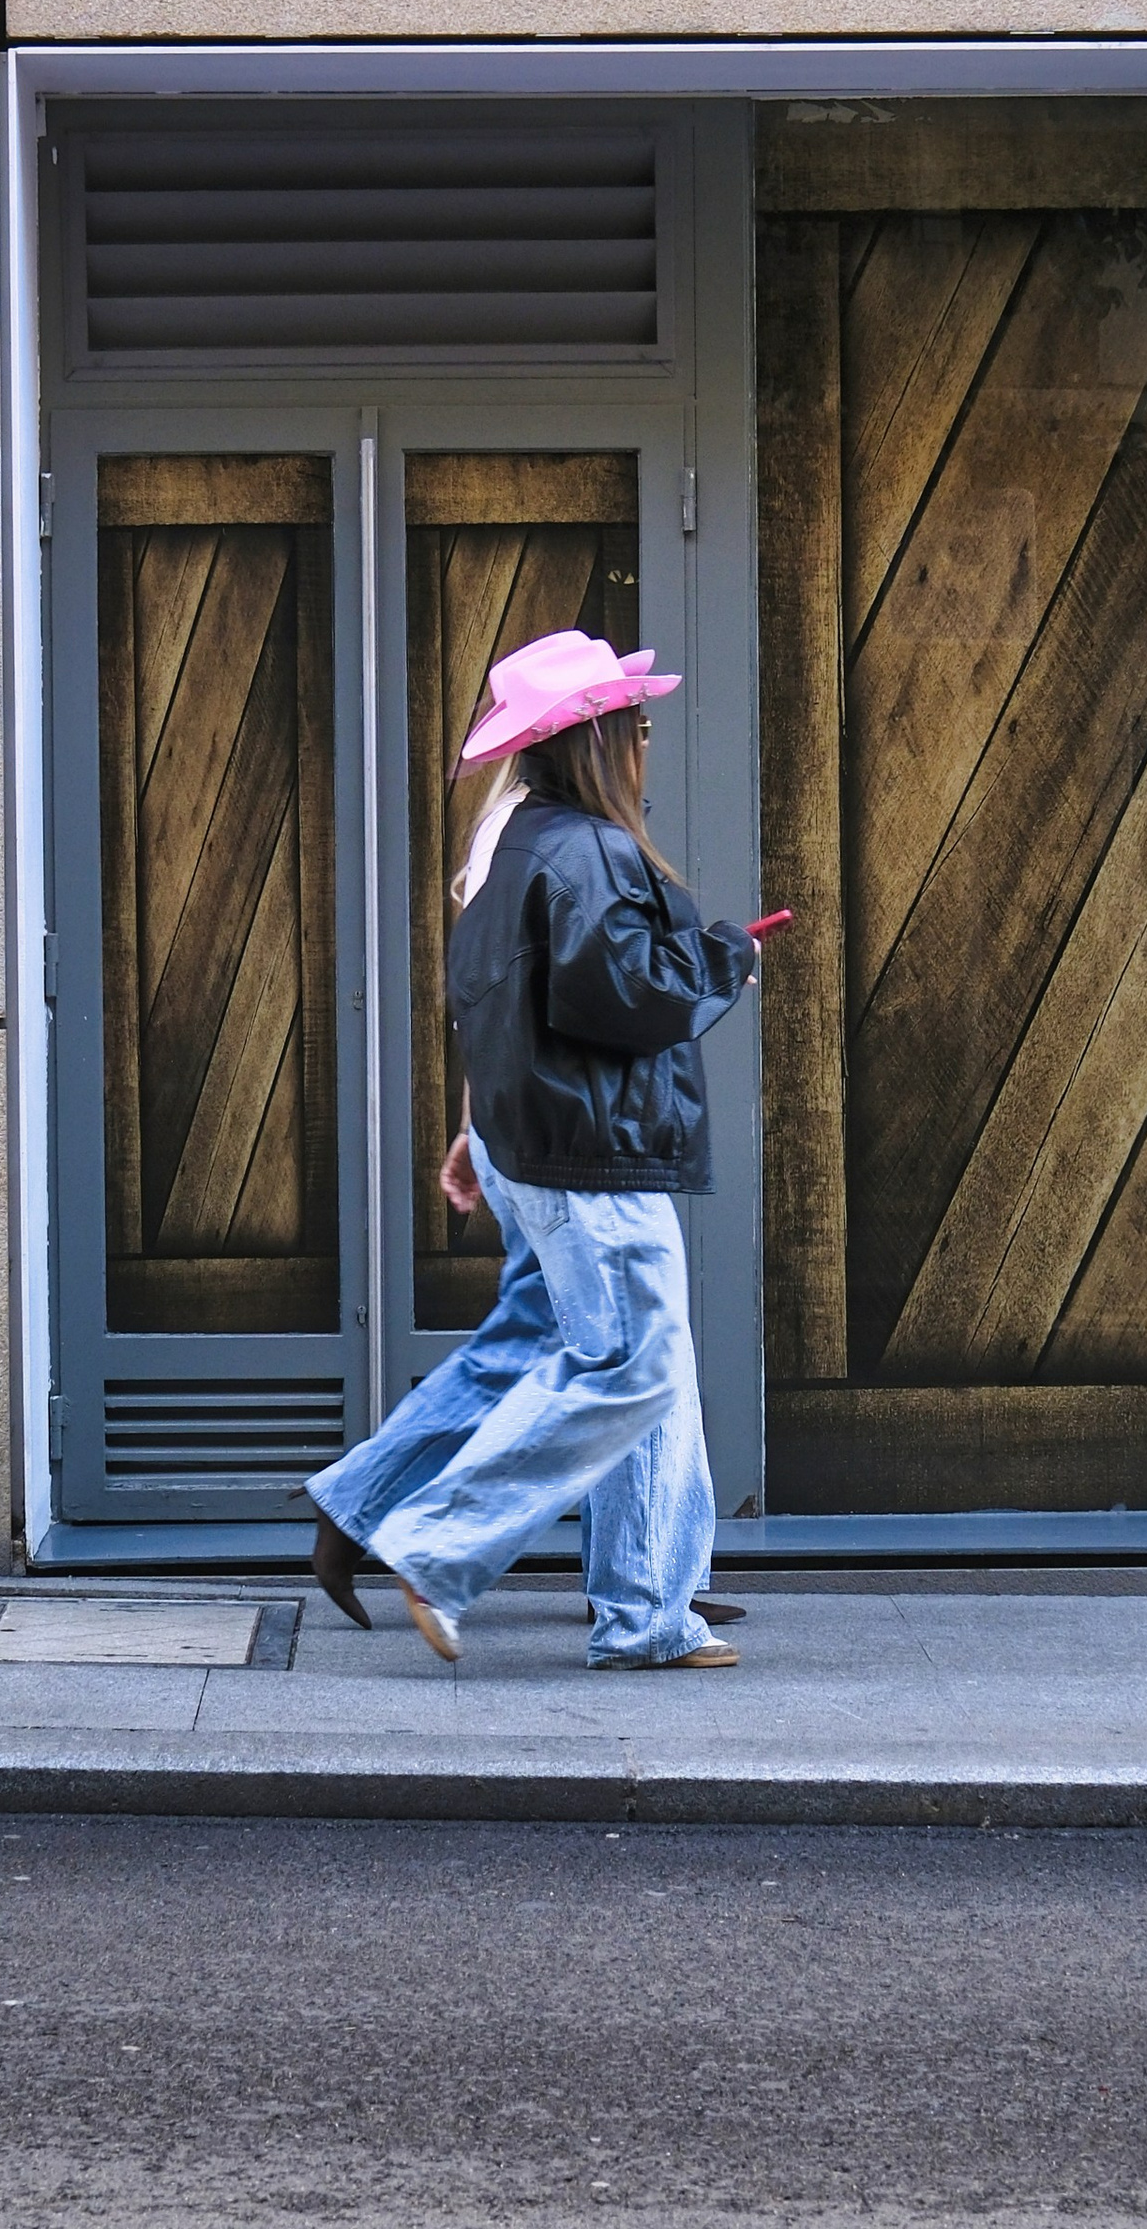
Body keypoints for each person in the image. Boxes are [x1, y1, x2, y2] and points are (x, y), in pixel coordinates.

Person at [303, 628, 759, 1669]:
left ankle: (631, 1598)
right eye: (633, 721)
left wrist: (473, 1127)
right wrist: (724, 959)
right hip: (590, 1153)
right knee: (633, 1366)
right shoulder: (589, 850)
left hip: (534, 1144)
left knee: (548, 1351)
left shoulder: (511, 846)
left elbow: (496, 1002)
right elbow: (629, 997)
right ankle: (442, 1539)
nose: (646, 734)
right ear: (593, 739)